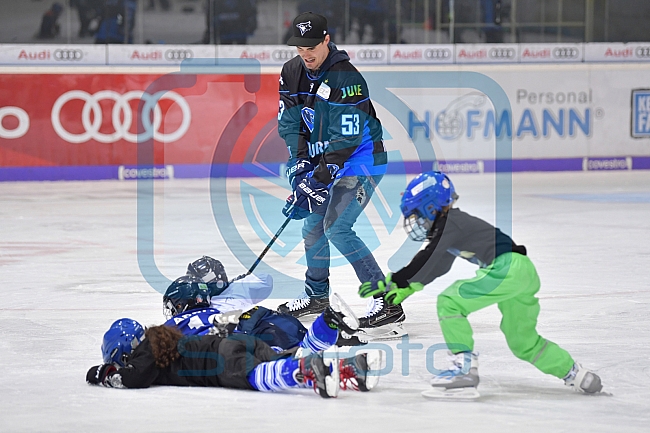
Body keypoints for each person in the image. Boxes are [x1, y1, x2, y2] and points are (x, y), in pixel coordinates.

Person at [358, 170, 604, 396]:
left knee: (449, 302)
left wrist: (397, 280)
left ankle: (464, 367)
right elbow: (439, 264)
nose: (419, 223)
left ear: (432, 206)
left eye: (419, 215)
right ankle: (575, 373)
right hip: (523, 273)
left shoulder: (451, 222)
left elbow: (428, 257)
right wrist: (406, 289)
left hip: (507, 269)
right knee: (522, 341)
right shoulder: (453, 226)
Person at [276, 12, 401, 340]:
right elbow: (291, 126)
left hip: (361, 160)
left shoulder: (346, 77)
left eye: (312, 45)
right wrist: (299, 170)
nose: (305, 53)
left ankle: (387, 301)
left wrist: (318, 177)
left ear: (326, 40)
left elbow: (346, 140)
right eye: (299, 47)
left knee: (337, 226)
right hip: (324, 160)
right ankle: (317, 296)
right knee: (312, 226)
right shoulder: (291, 72)